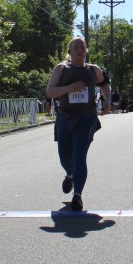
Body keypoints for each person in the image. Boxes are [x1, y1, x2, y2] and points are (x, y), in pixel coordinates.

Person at [46, 36, 111, 211]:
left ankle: (78, 195)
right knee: (64, 157)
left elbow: (104, 85)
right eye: (76, 47)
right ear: (69, 51)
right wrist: (69, 88)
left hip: (87, 118)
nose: (79, 50)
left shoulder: (94, 70)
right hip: (65, 117)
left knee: (79, 155)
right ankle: (70, 174)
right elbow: (49, 92)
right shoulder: (61, 69)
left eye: (82, 47)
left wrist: (107, 102)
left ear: (86, 50)